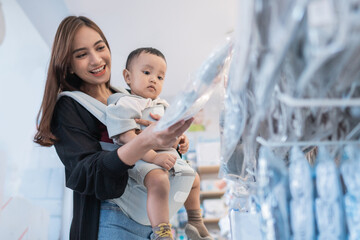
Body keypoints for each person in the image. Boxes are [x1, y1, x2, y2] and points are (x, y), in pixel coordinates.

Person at [33, 16, 193, 240]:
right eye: (81, 54)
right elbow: (85, 174)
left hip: (151, 219)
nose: (96, 59)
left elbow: (156, 150)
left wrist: (173, 141)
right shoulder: (68, 106)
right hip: (110, 222)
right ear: (68, 64)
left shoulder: (128, 97)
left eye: (100, 48)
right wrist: (143, 142)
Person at [105, 47, 213, 240]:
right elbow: (125, 137)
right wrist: (154, 157)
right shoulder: (125, 103)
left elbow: (173, 133)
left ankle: (195, 221)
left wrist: (181, 141)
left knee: (194, 179)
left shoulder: (164, 107)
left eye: (160, 77)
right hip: (139, 159)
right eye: (147, 72)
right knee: (158, 180)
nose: (153, 79)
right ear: (128, 77)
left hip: (164, 156)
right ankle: (162, 231)